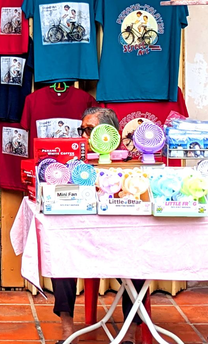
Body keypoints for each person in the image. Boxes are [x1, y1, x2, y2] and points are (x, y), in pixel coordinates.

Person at [53, 106, 146, 344]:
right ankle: (66, 330)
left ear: (109, 132)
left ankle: (130, 334)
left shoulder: (129, 165)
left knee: (139, 261)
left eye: (89, 130)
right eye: (81, 130)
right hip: (82, 238)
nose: (84, 136)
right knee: (60, 257)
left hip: (120, 239)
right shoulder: (73, 166)